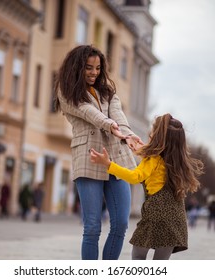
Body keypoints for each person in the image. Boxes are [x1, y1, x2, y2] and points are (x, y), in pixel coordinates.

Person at [54, 45, 143, 260]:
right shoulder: (67, 92)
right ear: (77, 67)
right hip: (89, 156)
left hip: (115, 158)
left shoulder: (108, 92)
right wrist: (110, 125)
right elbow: (88, 112)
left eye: (97, 68)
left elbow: (119, 116)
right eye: (88, 68)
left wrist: (128, 134)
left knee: (121, 223)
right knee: (92, 227)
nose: (94, 72)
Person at [90, 113, 204, 260]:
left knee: (138, 256)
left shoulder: (153, 159)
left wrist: (108, 164)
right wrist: (139, 149)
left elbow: (134, 176)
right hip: (176, 219)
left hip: (156, 214)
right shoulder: (175, 162)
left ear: (157, 138)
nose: (150, 135)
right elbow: (153, 164)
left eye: (152, 132)